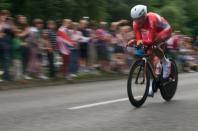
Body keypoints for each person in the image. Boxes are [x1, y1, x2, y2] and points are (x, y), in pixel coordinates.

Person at [127, 5, 172, 96]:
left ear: (144, 16)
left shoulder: (151, 19)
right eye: (134, 19)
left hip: (165, 30)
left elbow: (150, 41)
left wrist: (137, 41)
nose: (136, 21)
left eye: (139, 19)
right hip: (155, 32)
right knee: (148, 53)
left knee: (154, 44)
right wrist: (136, 42)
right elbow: (140, 40)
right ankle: (152, 83)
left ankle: (166, 63)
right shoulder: (135, 23)